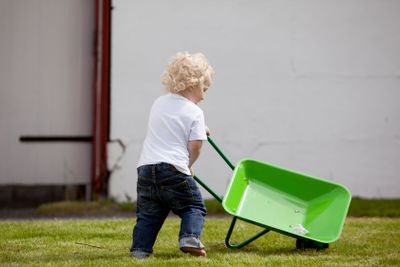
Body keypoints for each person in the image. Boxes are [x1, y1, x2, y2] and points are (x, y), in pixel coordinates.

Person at [130, 52, 214, 259]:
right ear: (194, 84)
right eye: (205, 87)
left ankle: (140, 251)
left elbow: (172, 124)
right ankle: (189, 238)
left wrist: (200, 128)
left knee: (148, 215)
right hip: (174, 168)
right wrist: (188, 164)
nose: (205, 92)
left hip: (146, 169)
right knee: (193, 206)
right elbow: (195, 146)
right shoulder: (195, 112)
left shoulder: (159, 102)